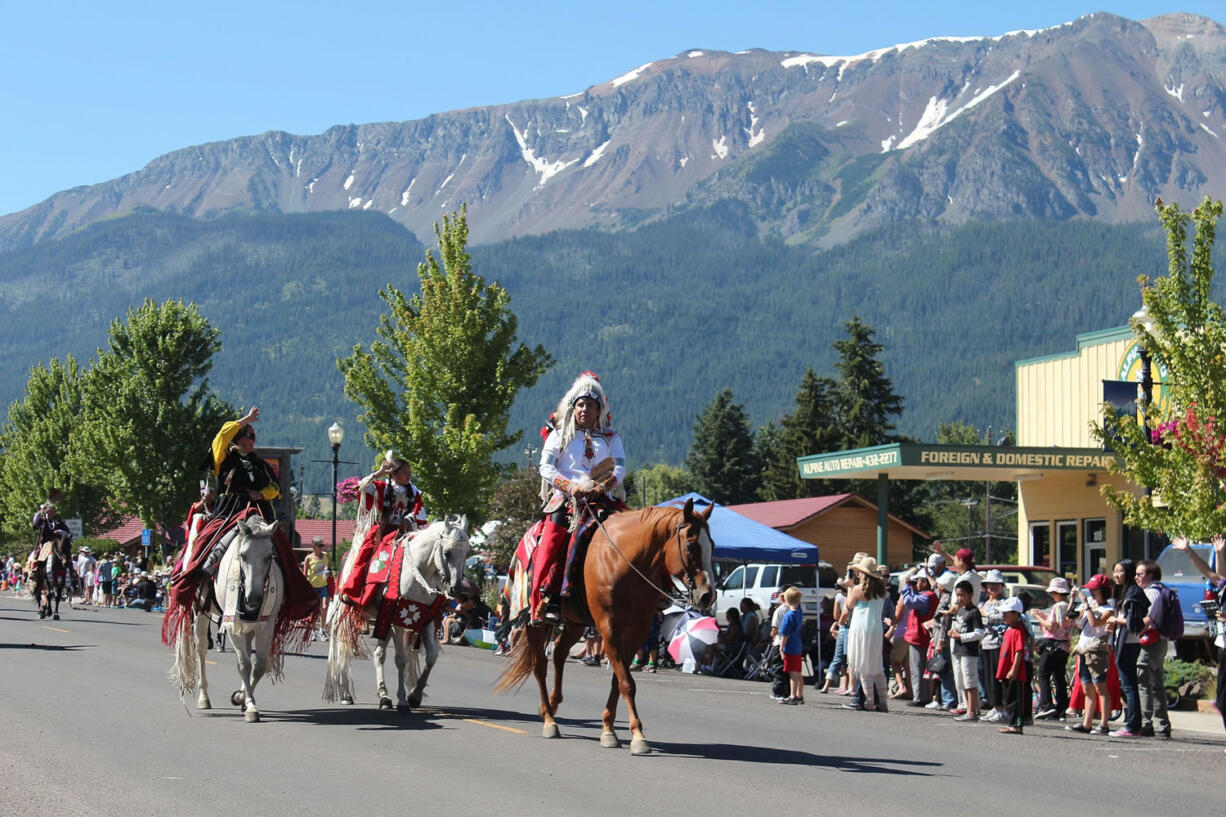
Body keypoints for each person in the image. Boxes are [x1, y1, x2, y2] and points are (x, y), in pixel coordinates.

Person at [534, 371, 626, 622]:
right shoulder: (559, 434)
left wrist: (602, 487)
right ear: (573, 408)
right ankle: (549, 595)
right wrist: (570, 487)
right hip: (566, 499)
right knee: (556, 539)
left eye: (591, 405)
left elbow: (619, 468)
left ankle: (651, 589)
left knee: (638, 531)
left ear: (599, 411)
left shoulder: (610, 437)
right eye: (581, 404)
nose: (585, 409)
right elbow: (546, 468)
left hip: (600, 496)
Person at [338, 452, 427, 605]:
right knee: (365, 555)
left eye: (409, 472)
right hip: (382, 531)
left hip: (405, 533)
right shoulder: (382, 487)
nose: (409, 475)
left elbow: (420, 512)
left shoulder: (414, 492)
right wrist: (379, 473)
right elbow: (362, 488)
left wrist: (408, 519)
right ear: (394, 474)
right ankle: (356, 592)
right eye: (405, 472)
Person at [1170, 535, 1226, 736]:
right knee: (1220, 701)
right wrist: (1189, 551)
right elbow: (1214, 575)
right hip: (1223, 646)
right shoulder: (1223, 584)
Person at [1067, 574, 1114, 735]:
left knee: (1100, 687)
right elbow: (1071, 616)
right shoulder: (1090, 607)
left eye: (1094, 590)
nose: (1091, 593)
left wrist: (1086, 605)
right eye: (1090, 590)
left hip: (1096, 652)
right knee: (1087, 688)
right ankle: (1087, 723)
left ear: (1104, 591)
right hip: (1083, 650)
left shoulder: (1108, 609)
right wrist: (1073, 600)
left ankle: (1104, 724)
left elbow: (1095, 623)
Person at [841, 555, 889, 712]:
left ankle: (868, 702)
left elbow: (849, 605)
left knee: (863, 666)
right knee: (877, 666)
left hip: (861, 628)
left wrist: (849, 586)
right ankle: (883, 702)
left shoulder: (857, 589)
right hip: (876, 628)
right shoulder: (882, 590)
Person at [1134, 558, 1172, 738]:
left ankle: (1147, 722)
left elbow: (1148, 619)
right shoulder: (1157, 591)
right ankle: (1161, 724)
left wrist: (1134, 630)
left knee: (1145, 682)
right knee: (1156, 684)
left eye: (1140, 574)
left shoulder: (1152, 593)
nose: (1136, 578)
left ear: (1150, 575)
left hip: (1151, 641)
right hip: (1157, 641)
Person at [1110, 558, 1144, 738]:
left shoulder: (1133, 592)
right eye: (1114, 571)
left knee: (1130, 686)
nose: (1116, 574)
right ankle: (1132, 724)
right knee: (1128, 685)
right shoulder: (1125, 591)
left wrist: (1115, 620)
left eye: (1120, 571)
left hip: (1129, 644)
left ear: (1129, 573)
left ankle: (1132, 725)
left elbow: (1133, 622)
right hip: (1123, 641)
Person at [1031, 577, 1074, 721]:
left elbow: (1052, 627)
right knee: (1059, 677)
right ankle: (1061, 709)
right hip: (1064, 645)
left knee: (1043, 674)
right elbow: (1060, 624)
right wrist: (1044, 616)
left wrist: (1038, 616)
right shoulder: (1068, 605)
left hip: (1052, 644)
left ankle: (1047, 705)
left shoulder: (1057, 606)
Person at [901, 567, 938, 708]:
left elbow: (909, 602)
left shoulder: (926, 596)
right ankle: (923, 695)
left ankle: (920, 697)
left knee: (917, 668)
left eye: (918, 581)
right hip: (922, 636)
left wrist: (906, 587)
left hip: (919, 636)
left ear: (925, 582)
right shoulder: (929, 595)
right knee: (921, 668)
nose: (916, 583)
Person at [948, 579, 985, 721]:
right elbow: (958, 627)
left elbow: (979, 633)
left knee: (970, 681)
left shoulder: (974, 612)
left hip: (969, 651)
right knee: (961, 681)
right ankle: (967, 707)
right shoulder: (960, 610)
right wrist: (953, 632)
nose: (959, 598)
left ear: (970, 595)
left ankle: (972, 711)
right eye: (957, 595)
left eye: (962, 595)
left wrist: (961, 636)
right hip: (958, 649)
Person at [977, 570, 1010, 723]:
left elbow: (1004, 618)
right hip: (986, 642)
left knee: (998, 678)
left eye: (996, 585)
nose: (993, 587)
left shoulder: (1004, 602)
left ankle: (1002, 708)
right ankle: (994, 706)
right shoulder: (984, 603)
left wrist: (987, 616)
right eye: (990, 585)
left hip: (998, 643)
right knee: (988, 677)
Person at [997, 595, 1029, 734]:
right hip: (1005, 670)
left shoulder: (1018, 630)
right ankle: (1010, 722)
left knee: (1015, 699)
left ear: (1016, 614)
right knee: (1007, 698)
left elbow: (1019, 651)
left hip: (1014, 672)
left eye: (1006, 613)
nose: (1003, 616)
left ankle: (1017, 724)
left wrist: (1014, 669)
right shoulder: (1008, 629)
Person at [777, 586, 805, 705]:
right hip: (798, 646)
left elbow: (785, 634)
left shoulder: (788, 616)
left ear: (786, 600)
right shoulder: (799, 613)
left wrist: (781, 647)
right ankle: (800, 694)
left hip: (790, 646)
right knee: (798, 671)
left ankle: (792, 695)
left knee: (792, 673)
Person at [303, 536, 331, 640]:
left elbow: (329, 568)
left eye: (323, 545)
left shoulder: (326, 556)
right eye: (320, 545)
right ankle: (312, 630)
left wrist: (328, 573)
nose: (322, 547)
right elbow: (304, 575)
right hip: (312, 587)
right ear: (314, 546)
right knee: (314, 610)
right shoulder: (308, 558)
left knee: (324, 607)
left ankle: (322, 630)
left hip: (323, 586)